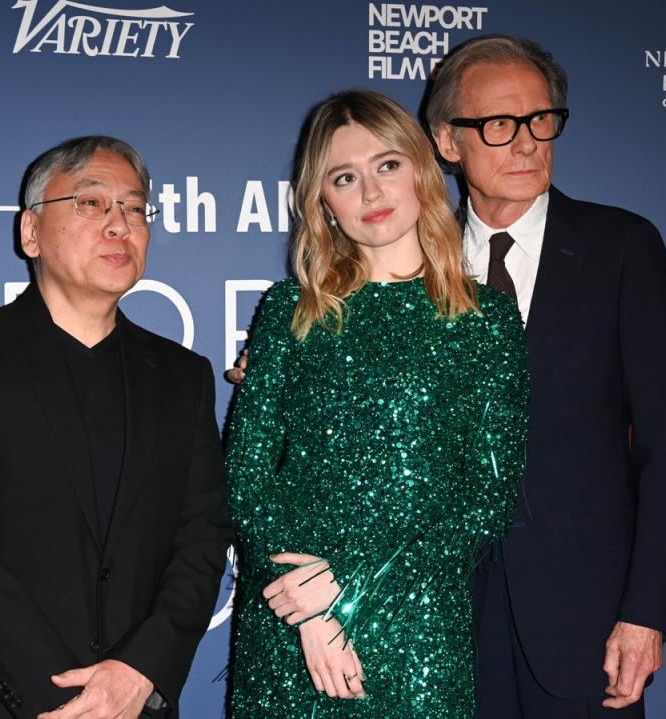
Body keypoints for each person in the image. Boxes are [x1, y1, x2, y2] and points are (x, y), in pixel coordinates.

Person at [0, 136, 232, 718]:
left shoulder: (184, 376)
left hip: (133, 703)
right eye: (90, 203)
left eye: (134, 208)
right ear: (31, 232)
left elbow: (201, 540)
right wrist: (71, 702)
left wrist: (139, 672)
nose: (119, 225)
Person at [224, 90, 528, 718]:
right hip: (290, 623)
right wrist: (309, 609)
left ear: (421, 170)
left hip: (418, 624)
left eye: (387, 165)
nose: (370, 192)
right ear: (323, 204)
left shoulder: (487, 320)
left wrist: (351, 593)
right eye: (344, 177)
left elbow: (486, 498)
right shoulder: (289, 312)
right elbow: (246, 475)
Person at [424, 35, 666, 718]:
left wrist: (645, 612)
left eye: (542, 120)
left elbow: (665, 446)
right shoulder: (413, 269)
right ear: (446, 141)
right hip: (442, 624)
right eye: (499, 125)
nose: (526, 143)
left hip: (588, 621)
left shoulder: (622, 247)